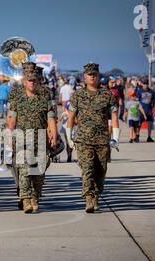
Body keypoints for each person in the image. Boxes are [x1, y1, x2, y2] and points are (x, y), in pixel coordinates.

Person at [66, 63, 120, 213]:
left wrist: (115, 138)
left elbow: (114, 118)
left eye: (94, 74)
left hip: (102, 140)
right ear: (84, 76)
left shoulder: (108, 95)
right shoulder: (77, 95)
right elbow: (70, 118)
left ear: (98, 75)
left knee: (101, 171)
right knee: (87, 170)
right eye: (89, 74)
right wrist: (69, 137)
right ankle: (89, 198)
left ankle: (96, 194)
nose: (92, 76)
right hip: (83, 140)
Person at [7, 62, 57, 214]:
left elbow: (51, 119)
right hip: (22, 139)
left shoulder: (44, 98)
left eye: (35, 80)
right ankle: (26, 199)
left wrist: (53, 134)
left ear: (38, 81)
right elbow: (12, 121)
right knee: (24, 171)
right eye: (30, 80)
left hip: (40, 140)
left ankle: (35, 196)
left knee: (38, 172)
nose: (32, 83)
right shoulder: (18, 98)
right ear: (24, 81)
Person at [137, 78, 155, 142]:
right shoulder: (139, 91)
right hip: (141, 110)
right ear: (142, 84)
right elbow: (137, 101)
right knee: (139, 124)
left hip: (149, 110)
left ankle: (149, 137)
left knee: (150, 123)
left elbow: (153, 100)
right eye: (144, 84)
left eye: (146, 84)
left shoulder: (151, 91)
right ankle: (137, 135)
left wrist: (153, 109)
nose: (145, 85)